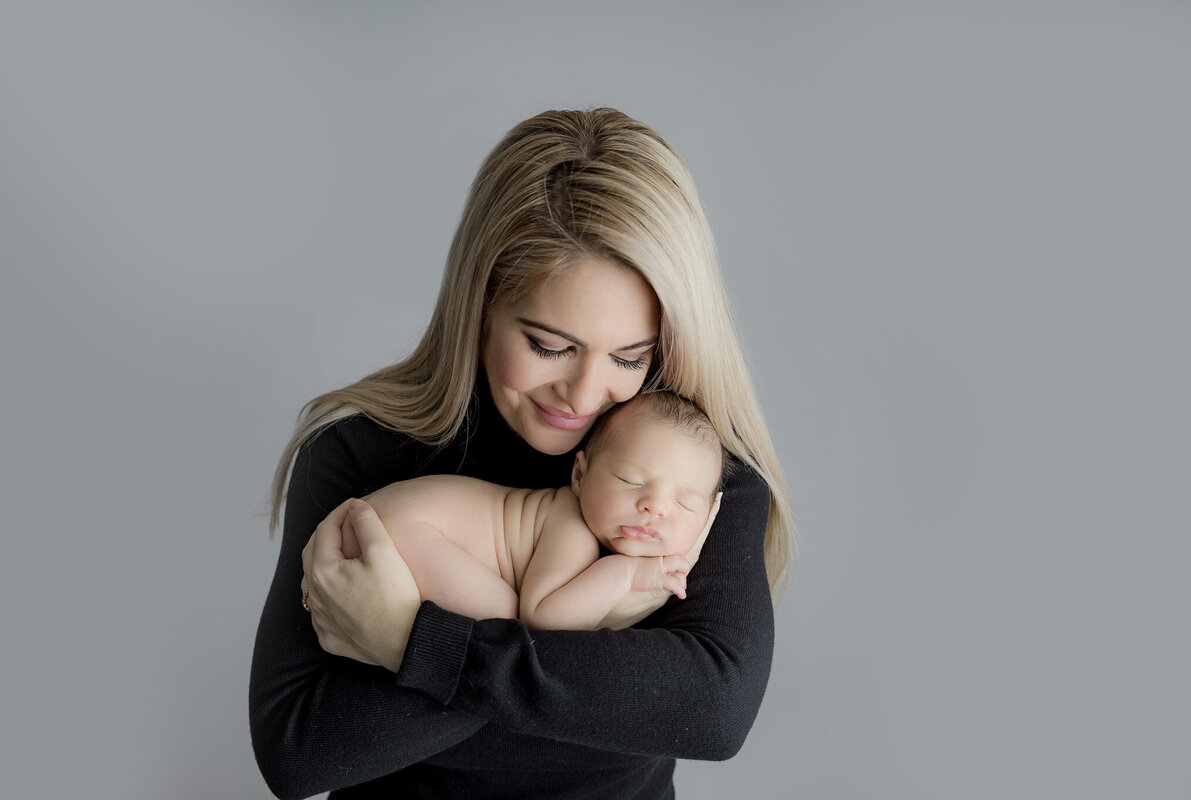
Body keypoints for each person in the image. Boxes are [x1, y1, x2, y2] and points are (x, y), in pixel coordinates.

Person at [250, 108, 795, 800]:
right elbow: (298, 753)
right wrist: (589, 680)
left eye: (630, 357)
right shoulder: (361, 455)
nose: (586, 394)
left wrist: (410, 646)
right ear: (479, 303)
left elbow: (712, 711)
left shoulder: (686, 476)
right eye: (549, 346)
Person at [344, 392, 725, 632]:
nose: (654, 507)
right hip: (399, 530)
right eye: (629, 479)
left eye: (684, 502)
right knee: (507, 626)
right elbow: (544, 619)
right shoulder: (570, 525)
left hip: (389, 519)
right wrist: (627, 574)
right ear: (579, 475)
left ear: (708, 515)